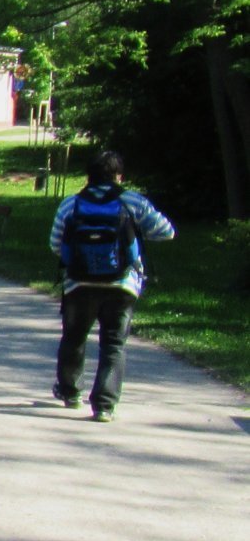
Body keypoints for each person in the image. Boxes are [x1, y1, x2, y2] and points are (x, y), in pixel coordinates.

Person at [48, 150, 174, 422]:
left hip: (78, 284)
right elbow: (166, 231)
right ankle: (104, 405)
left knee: (74, 337)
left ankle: (70, 392)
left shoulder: (71, 204)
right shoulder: (133, 202)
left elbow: (56, 243)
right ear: (119, 176)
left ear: (88, 176)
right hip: (122, 284)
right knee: (114, 344)